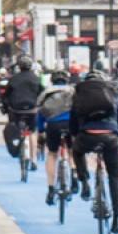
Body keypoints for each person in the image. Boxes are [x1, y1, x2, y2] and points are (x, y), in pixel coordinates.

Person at [71, 61, 118, 234]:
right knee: (115, 176)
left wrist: (76, 135)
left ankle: (84, 181)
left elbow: (73, 121)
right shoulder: (111, 94)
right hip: (110, 136)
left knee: (77, 150)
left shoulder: (80, 94)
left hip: (87, 135)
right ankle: (117, 218)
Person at [38, 70, 77, 202]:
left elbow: (40, 112)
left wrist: (41, 130)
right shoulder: (72, 91)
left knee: (52, 154)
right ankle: (74, 176)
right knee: (72, 152)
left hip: (53, 125)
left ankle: (50, 188)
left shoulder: (46, 92)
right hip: (70, 124)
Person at [3, 57, 44, 164]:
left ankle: (19, 144)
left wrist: (5, 107)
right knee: (32, 132)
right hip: (32, 109)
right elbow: (42, 93)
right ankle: (34, 159)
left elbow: (6, 95)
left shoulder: (14, 79)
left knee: (15, 127)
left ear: (19, 67)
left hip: (16, 110)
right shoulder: (36, 78)